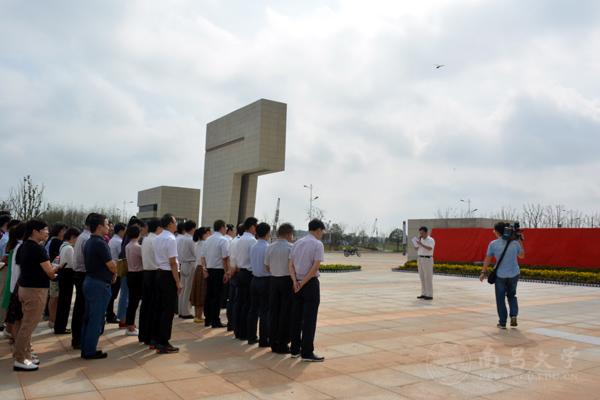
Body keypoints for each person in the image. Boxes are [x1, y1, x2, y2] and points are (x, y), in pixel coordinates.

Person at [13, 219, 58, 371]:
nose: (47, 232)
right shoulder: (38, 249)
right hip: (35, 291)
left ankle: (26, 356)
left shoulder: (23, 246)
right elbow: (50, 273)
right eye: (45, 229)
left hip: (24, 288)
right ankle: (20, 359)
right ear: (35, 231)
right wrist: (59, 267)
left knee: (26, 324)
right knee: (27, 326)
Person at [289, 219, 326, 362]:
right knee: (309, 319)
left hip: (296, 284)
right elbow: (315, 267)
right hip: (309, 285)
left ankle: (294, 349)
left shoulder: (297, 243)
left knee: (296, 318)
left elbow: (290, 264)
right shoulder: (317, 244)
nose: (322, 234)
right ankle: (307, 352)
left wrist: (295, 282)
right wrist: (303, 283)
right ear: (318, 230)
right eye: (322, 231)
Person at [81, 213, 117, 359]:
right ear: (100, 226)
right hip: (98, 284)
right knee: (96, 319)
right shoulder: (100, 243)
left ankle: (86, 347)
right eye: (107, 224)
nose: (109, 227)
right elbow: (111, 265)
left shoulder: (89, 242)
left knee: (89, 317)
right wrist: (115, 270)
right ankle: (89, 350)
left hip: (91, 281)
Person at [480, 222, 525, 329]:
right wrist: (519, 240)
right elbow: (522, 256)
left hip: (501, 275)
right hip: (514, 274)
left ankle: (502, 322)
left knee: (500, 299)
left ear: (498, 232)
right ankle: (513, 315)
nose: (493, 232)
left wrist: (483, 272)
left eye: (494, 230)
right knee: (512, 295)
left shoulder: (493, 244)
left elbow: (488, 258)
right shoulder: (515, 243)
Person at [153, 214, 182, 354]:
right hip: (168, 275)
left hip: (159, 273)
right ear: (170, 223)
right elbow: (172, 262)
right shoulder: (170, 238)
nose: (176, 224)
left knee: (160, 309)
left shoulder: (157, 237)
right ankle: (164, 342)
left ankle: (158, 340)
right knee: (168, 311)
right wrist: (177, 282)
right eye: (175, 222)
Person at [267, 223, 294, 354]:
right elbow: (292, 266)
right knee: (285, 312)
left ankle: (273, 342)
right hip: (286, 281)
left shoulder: (270, 247)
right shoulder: (291, 248)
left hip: (273, 280)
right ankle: (283, 343)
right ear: (289, 233)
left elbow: (266, 266)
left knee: (274, 312)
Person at [201, 219, 230, 328]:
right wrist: (227, 272)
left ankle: (207, 319)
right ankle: (215, 321)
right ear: (222, 227)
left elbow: (202, 257)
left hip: (209, 270)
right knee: (217, 297)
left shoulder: (208, 240)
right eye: (225, 227)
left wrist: (204, 269)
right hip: (219, 270)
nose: (226, 229)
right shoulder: (223, 240)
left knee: (209, 295)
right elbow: (225, 258)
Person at [139, 218, 162, 347]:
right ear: (158, 228)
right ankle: (152, 338)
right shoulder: (156, 240)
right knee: (154, 307)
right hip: (154, 273)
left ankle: (144, 335)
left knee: (146, 306)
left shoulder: (146, 239)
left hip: (146, 273)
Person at [71, 213, 93, 350]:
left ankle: (77, 338)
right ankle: (79, 338)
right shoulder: (87, 238)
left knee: (80, 308)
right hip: (84, 275)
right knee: (82, 309)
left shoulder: (82, 237)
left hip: (79, 274)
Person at [247, 222, 271, 347]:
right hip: (265, 281)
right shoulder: (268, 247)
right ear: (267, 233)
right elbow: (268, 267)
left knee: (253, 309)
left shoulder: (254, 246)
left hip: (254, 280)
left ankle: (251, 336)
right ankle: (263, 339)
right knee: (265, 311)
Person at [232, 218, 256, 338]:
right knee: (247, 304)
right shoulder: (252, 240)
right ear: (252, 227)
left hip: (239, 272)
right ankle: (244, 332)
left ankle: (237, 331)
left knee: (239, 302)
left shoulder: (239, 239)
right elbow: (254, 259)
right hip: (248, 274)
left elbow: (235, 258)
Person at [1, 221, 25, 342]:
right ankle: (16, 341)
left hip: (12, 284)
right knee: (17, 317)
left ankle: (10, 333)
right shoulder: (20, 247)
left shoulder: (14, 246)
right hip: (17, 285)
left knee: (13, 313)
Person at [54, 228, 79, 334]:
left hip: (63, 274)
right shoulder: (69, 248)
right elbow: (74, 265)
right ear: (73, 237)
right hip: (68, 275)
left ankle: (59, 326)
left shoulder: (63, 246)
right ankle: (61, 327)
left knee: (62, 302)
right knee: (65, 303)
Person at [124, 225, 143, 336]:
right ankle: (130, 326)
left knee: (132, 300)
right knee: (134, 302)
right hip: (138, 275)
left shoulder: (128, 245)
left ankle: (130, 324)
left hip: (130, 273)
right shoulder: (137, 247)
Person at [177, 220, 197, 319]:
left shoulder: (181, 238)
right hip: (190, 264)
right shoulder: (190, 239)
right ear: (193, 228)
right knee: (187, 289)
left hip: (182, 264)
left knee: (182, 289)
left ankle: (180, 310)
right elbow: (195, 253)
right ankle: (185, 312)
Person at [106, 223, 125, 324]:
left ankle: (109, 313)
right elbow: (121, 256)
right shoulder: (119, 242)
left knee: (111, 294)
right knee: (113, 294)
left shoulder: (112, 240)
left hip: (111, 269)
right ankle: (110, 315)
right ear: (121, 231)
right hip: (115, 269)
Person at [190, 227, 210, 323]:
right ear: (204, 234)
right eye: (208, 233)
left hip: (197, 268)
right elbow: (204, 258)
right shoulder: (205, 244)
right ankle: (199, 316)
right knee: (202, 292)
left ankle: (197, 315)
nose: (209, 234)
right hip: (203, 268)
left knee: (197, 292)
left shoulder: (197, 243)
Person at [227, 224, 244, 335]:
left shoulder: (233, 240)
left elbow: (229, 257)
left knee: (232, 300)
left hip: (232, 272)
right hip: (239, 272)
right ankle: (236, 325)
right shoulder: (243, 242)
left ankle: (231, 324)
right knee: (239, 301)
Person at [414, 226, 435, 300]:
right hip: (420, 259)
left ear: (426, 232)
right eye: (420, 233)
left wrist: (421, 244)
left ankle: (429, 295)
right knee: (422, 277)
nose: (421, 234)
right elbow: (416, 249)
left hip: (427, 259)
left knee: (428, 277)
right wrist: (416, 244)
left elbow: (430, 248)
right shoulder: (420, 239)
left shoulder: (430, 240)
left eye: (422, 233)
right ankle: (423, 293)